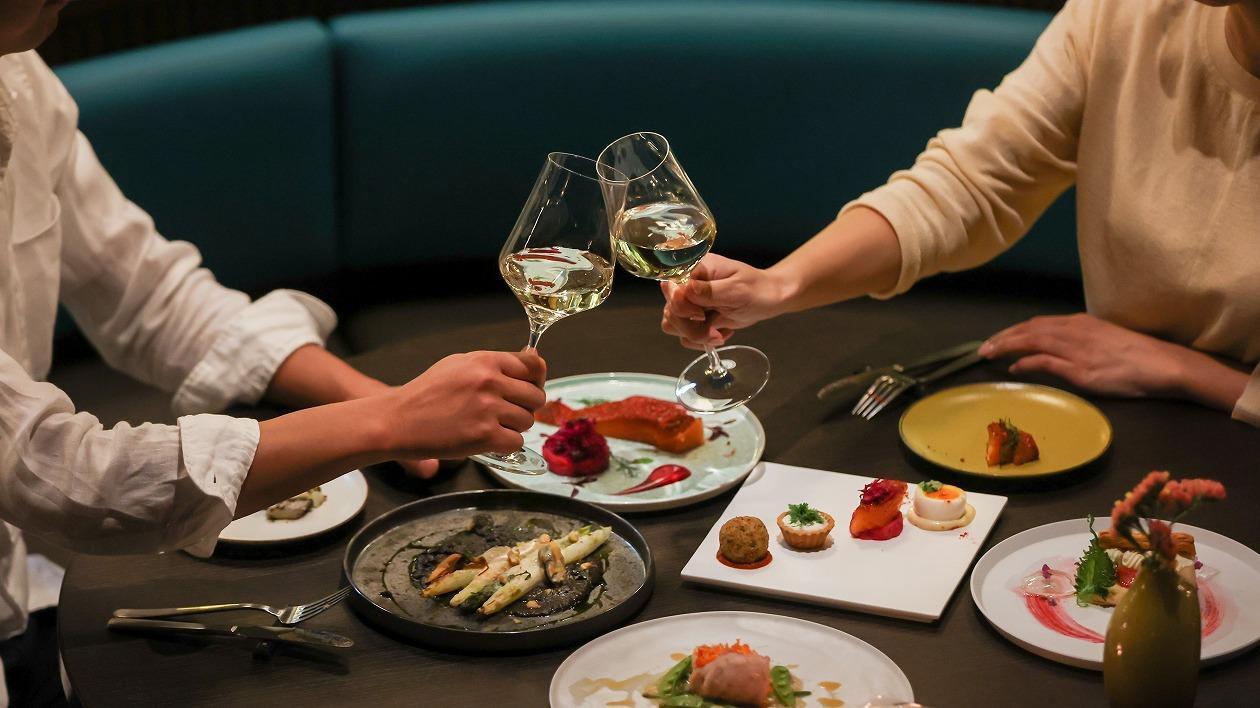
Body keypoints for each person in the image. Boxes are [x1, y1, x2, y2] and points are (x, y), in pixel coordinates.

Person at [0, 1, 546, 704]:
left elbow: (149, 295)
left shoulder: (19, 77)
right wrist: (390, 422)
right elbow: (69, 477)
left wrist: (374, 397)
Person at [662, 0, 1260, 425]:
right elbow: (970, 184)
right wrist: (778, 286)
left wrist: (1186, 372)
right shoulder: (1125, 12)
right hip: (1116, 404)